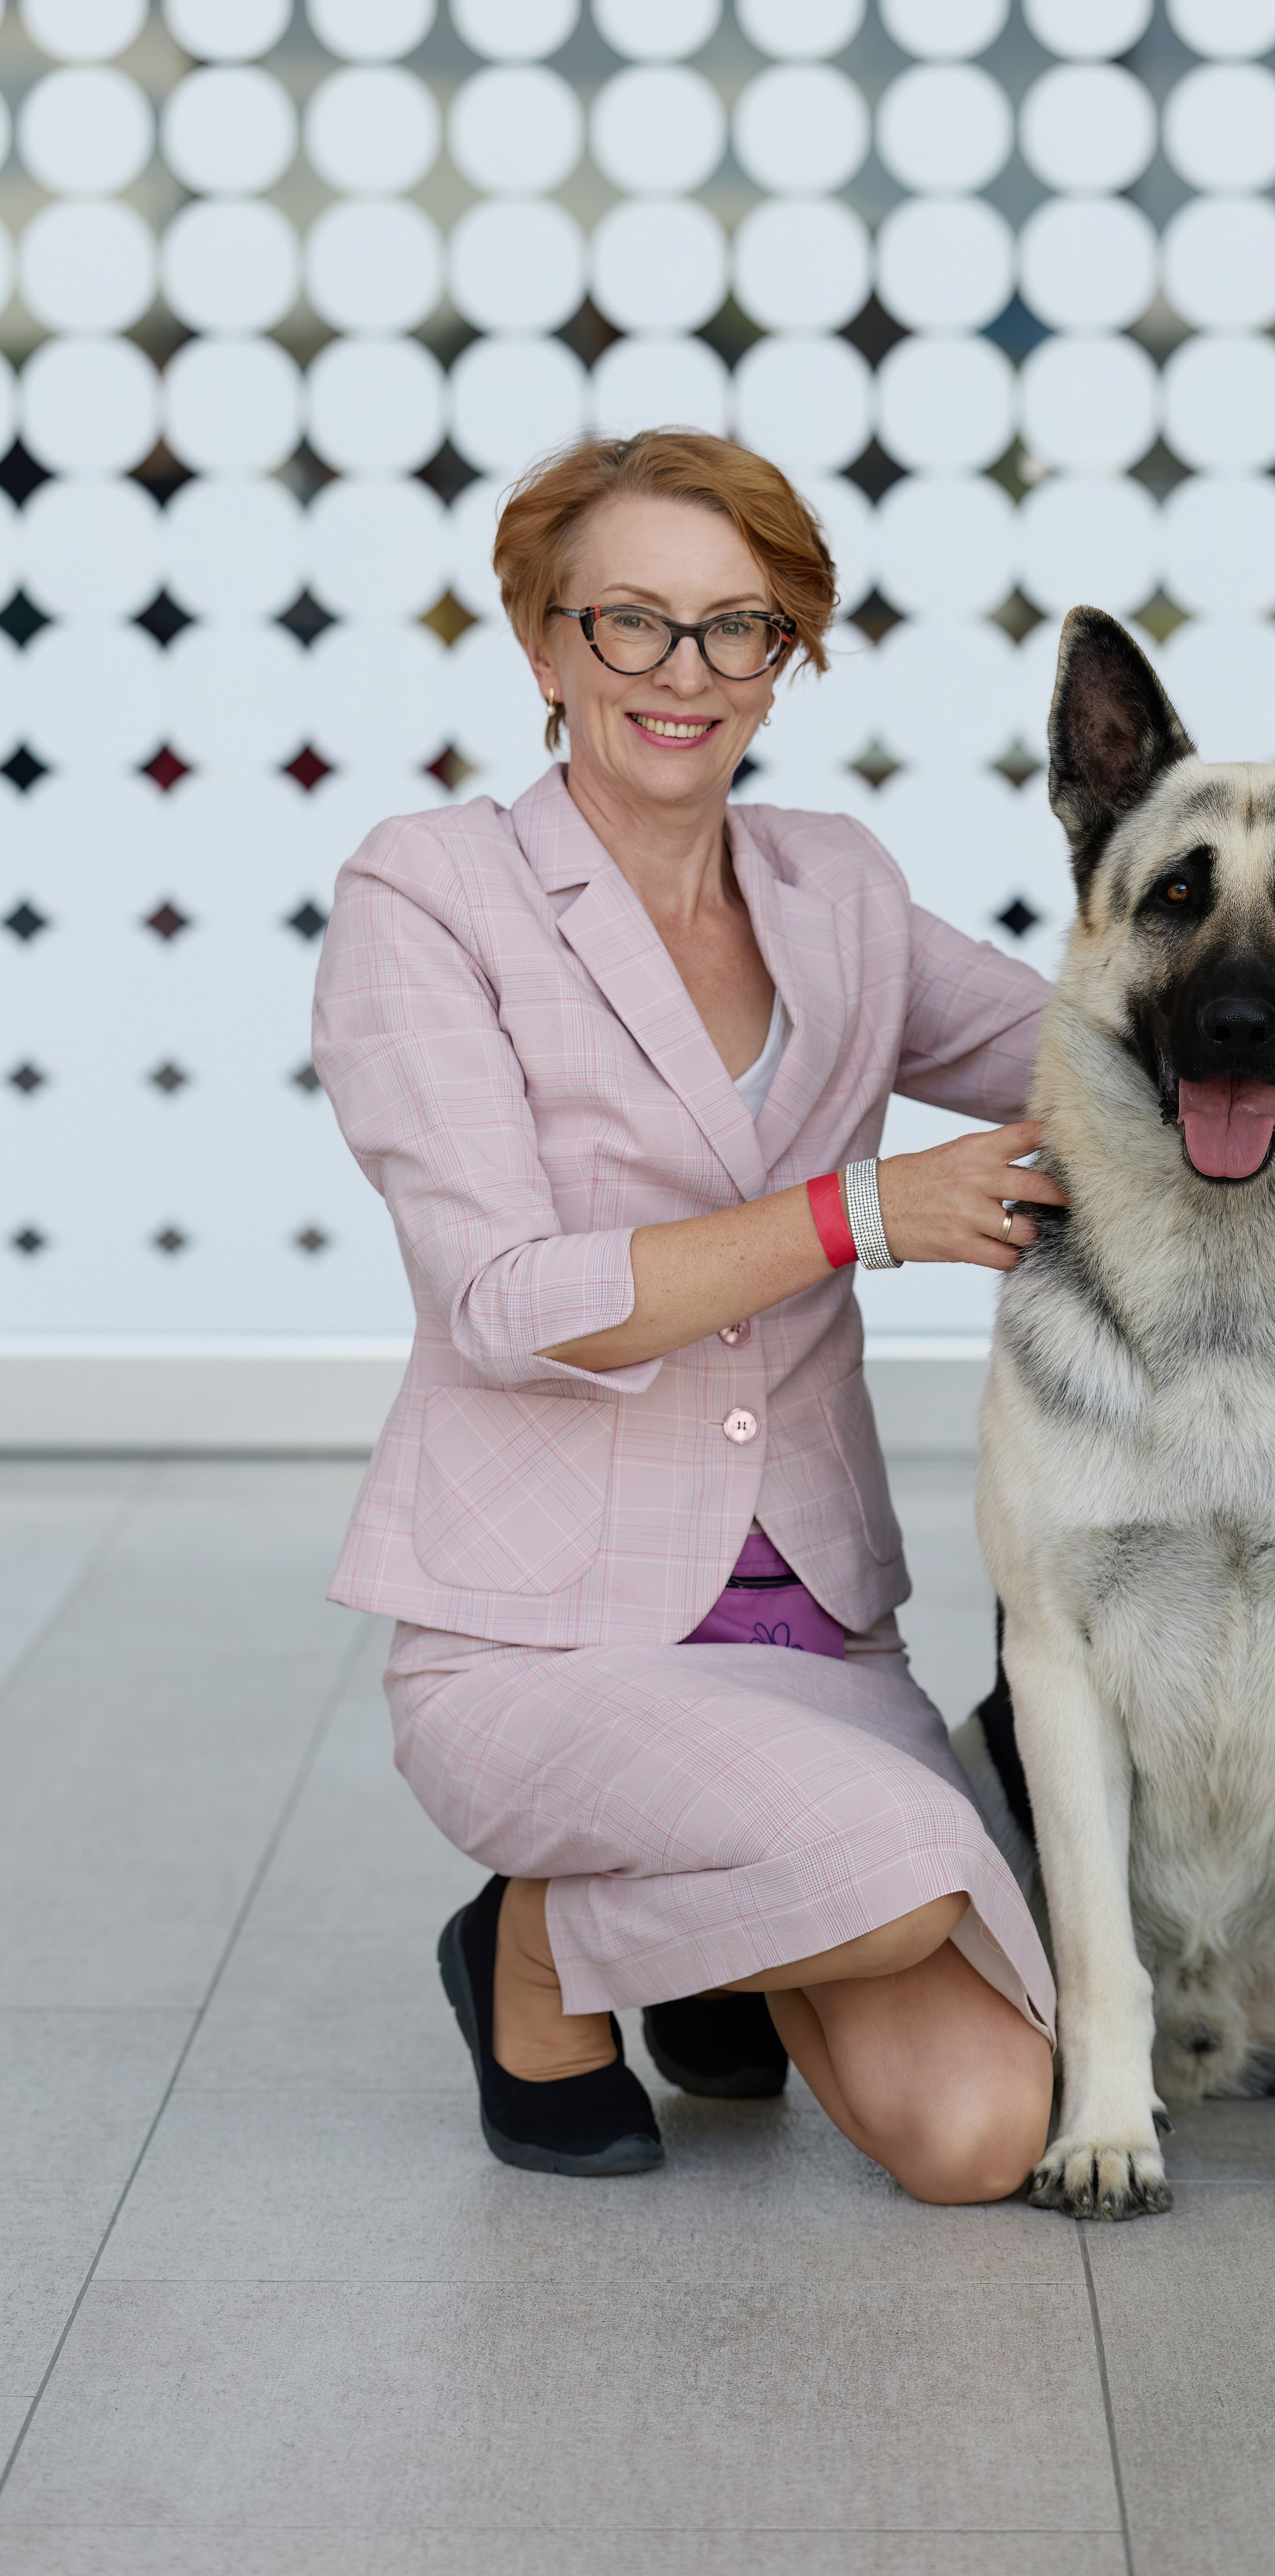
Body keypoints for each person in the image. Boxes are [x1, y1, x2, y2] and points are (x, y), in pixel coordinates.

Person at [312, 429, 1064, 2204]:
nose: (687, 671)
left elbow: (1082, 1056)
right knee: (898, 1868)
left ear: (786, 656)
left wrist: (1255, 959)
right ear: (545, 641)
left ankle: (714, 1935)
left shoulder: (838, 887)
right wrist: (862, 1210)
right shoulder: (428, 891)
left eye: (741, 627)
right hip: (545, 1641)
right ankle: (536, 1952)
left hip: (813, 1627)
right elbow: (506, 1303)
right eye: (632, 620)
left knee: (981, 2133)